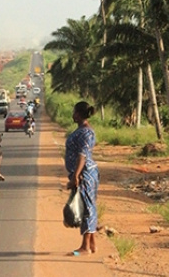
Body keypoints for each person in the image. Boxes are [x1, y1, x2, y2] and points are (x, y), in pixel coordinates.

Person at [65, 101, 99, 256]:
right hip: (81, 173)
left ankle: (85, 247)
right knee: (86, 206)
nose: (73, 115)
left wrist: (76, 176)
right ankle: (92, 244)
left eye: (74, 112)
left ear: (78, 114)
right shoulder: (81, 130)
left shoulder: (86, 133)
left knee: (86, 208)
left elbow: (82, 156)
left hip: (85, 174)